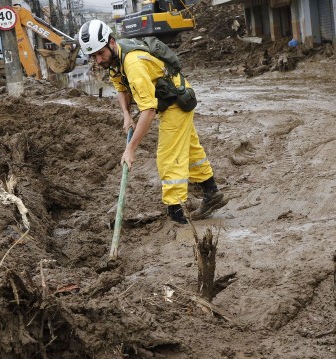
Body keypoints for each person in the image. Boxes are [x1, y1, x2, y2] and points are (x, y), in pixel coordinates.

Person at [78, 20, 228, 224]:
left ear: (111, 42)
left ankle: (177, 213)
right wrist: (126, 115)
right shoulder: (114, 59)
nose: (98, 60)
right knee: (191, 150)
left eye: (100, 53)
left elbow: (148, 110)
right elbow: (121, 88)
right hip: (167, 98)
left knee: (168, 156)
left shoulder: (132, 63)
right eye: (93, 56)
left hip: (176, 100)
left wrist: (131, 148)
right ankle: (212, 193)